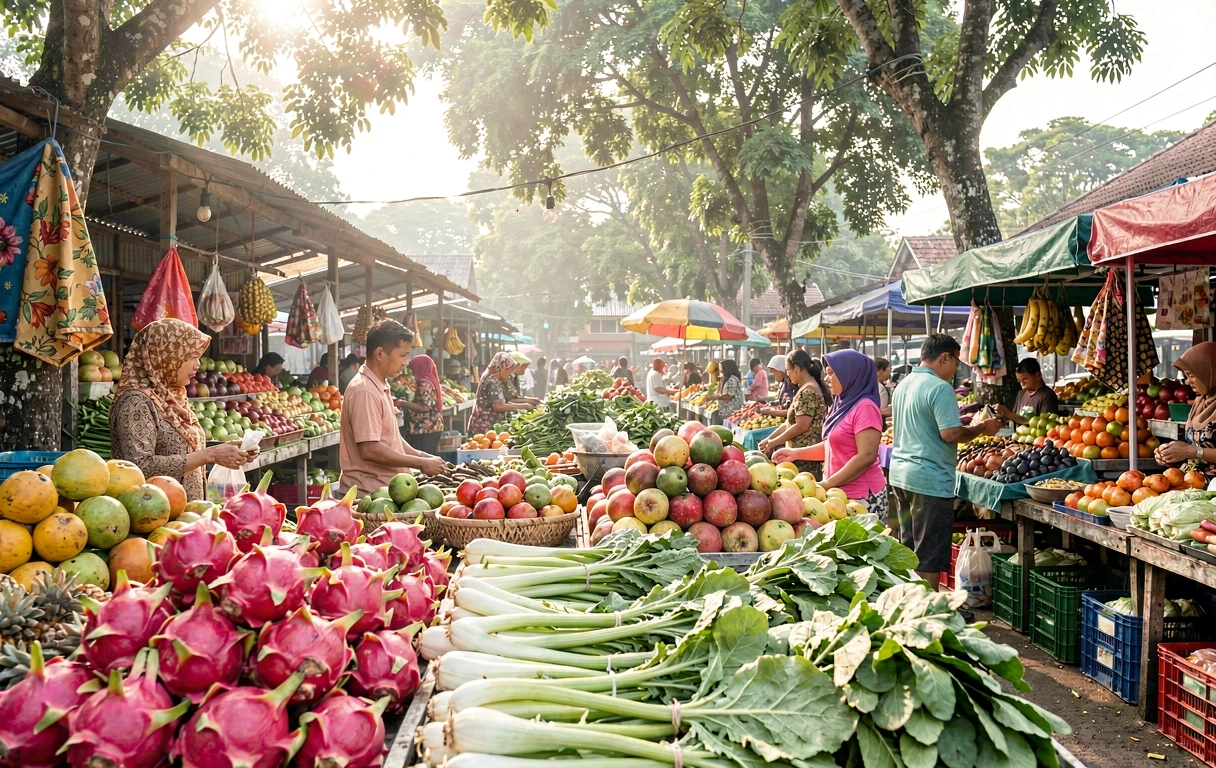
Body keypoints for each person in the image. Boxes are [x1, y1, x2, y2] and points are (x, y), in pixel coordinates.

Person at [889, 334, 1002, 588]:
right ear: (944, 358)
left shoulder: (904, 384)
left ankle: (910, 605)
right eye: (955, 363)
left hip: (901, 477)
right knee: (928, 557)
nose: (954, 370)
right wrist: (981, 428)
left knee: (909, 550)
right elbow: (950, 433)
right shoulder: (940, 388)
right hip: (929, 480)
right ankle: (928, 614)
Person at [111, 319, 257, 501]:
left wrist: (225, 451)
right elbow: (139, 465)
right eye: (191, 356)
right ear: (166, 356)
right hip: (152, 514)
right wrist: (210, 455)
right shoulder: (136, 402)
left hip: (186, 512)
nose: (197, 365)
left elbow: (185, 452)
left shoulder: (173, 396)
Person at [774, 350, 888, 519]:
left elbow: (867, 455)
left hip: (862, 498)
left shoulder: (865, 407)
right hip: (839, 494)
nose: (826, 379)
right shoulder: (841, 404)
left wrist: (827, 484)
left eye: (832, 374)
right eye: (826, 374)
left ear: (850, 375)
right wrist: (796, 454)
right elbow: (832, 447)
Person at [339, 320, 445, 494]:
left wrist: (422, 456)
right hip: (370, 495)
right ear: (380, 353)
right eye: (402, 355)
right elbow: (370, 449)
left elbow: (392, 439)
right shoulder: (365, 391)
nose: (406, 362)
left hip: (389, 489)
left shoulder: (379, 385)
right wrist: (419, 463)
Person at [758, 351, 830, 474]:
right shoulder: (807, 388)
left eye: (788, 370)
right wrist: (769, 439)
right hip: (799, 454)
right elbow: (789, 423)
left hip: (804, 457)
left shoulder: (808, 391)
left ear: (796, 369)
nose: (787, 374)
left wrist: (773, 442)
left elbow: (801, 426)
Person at [1155, 342, 1216, 473]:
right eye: (1186, 376)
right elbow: (1193, 447)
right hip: (1192, 483)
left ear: (1210, 372)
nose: (1188, 381)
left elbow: (1194, 450)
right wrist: (1170, 454)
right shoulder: (1200, 402)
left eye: (1192, 375)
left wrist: (1191, 452)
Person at [469, 351, 532, 435]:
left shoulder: (495, 379)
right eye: (508, 371)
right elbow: (498, 406)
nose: (509, 374)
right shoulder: (491, 381)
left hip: (488, 427)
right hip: (483, 428)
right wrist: (523, 406)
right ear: (501, 368)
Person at [402, 354, 445, 454]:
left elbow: (425, 408)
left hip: (424, 429)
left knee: (422, 461)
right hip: (434, 427)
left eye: (414, 368)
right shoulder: (431, 380)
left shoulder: (424, 383)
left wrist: (401, 403)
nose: (413, 371)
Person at [996, 358, 1060, 425]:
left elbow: (1044, 424)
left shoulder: (1048, 396)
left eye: (1024, 379)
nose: (1022, 383)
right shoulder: (1021, 394)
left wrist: (1007, 413)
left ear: (1038, 375)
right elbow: (1014, 418)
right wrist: (1001, 415)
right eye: (1019, 381)